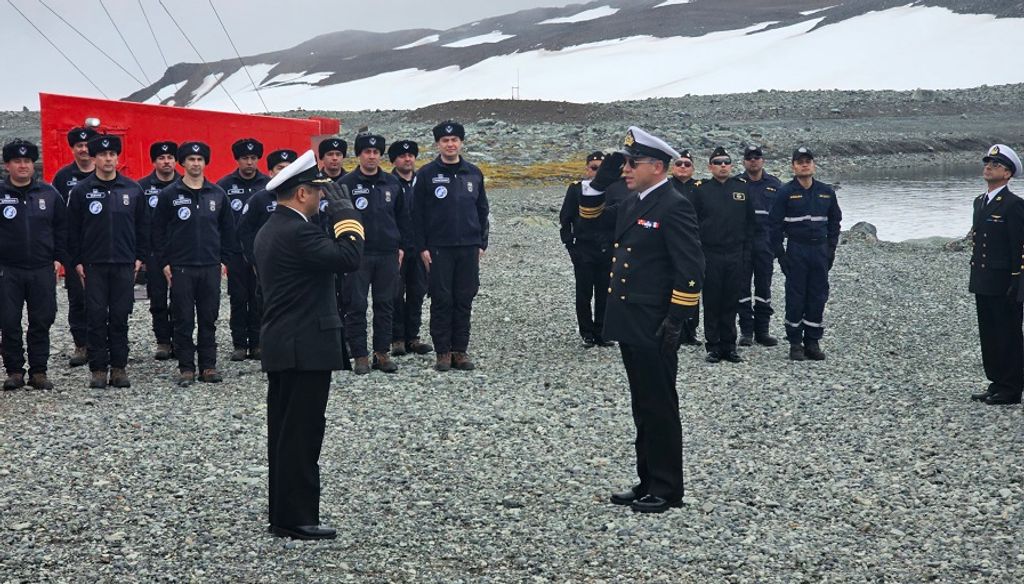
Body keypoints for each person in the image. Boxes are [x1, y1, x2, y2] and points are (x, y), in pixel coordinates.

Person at [580, 127, 703, 513]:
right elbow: (589, 216)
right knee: (642, 404)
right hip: (631, 321)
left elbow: (691, 267)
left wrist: (676, 320)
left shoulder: (674, 203)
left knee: (660, 405)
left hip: (655, 322)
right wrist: (603, 178)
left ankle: (668, 490)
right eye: (626, 163)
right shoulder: (636, 202)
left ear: (657, 166)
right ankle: (647, 479)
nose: (627, 170)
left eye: (633, 163)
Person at [254, 150, 364, 540]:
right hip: (305, 346)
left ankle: (285, 513)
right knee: (301, 435)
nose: (322, 198)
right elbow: (348, 257)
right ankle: (297, 517)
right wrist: (345, 214)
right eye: (318, 192)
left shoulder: (271, 227)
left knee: (284, 434)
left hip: (286, 343)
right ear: (302, 193)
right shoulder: (297, 231)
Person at [66, 135, 148, 389]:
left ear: (118, 157)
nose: (108, 159)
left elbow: (143, 227)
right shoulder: (81, 191)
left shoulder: (132, 189)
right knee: (96, 316)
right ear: (94, 158)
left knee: (121, 316)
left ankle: (120, 368)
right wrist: (77, 261)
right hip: (94, 265)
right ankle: (99, 369)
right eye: (102, 155)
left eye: (112, 154)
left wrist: (140, 257)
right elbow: (72, 230)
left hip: (124, 263)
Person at [153, 142, 235, 386]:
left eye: (200, 160)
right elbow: (157, 231)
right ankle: (186, 368)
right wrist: (164, 262)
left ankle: (208, 366)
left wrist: (224, 261)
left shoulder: (217, 194)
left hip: (210, 266)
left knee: (209, 318)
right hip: (181, 267)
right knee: (183, 319)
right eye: (190, 160)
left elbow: (228, 230)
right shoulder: (169, 195)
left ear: (205, 162)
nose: (195, 164)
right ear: (183, 163)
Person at [412, 121, 489, 372]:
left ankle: (460, 351)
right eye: (445, 141)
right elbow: (417, 213)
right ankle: (443, 352)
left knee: (464, 298)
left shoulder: (473, 173)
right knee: (442, 299)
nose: (450, 144)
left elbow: (482, 210)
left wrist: (481, 243)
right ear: (438, 144)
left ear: (461, 143)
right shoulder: (426, 174)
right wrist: (422, 247)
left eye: (455, 139)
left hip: (468, 246)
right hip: (438, 247)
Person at [338, 133, 410, 374]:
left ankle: (382, 353)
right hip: (357, 255)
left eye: (376, 152)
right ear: (358, 155)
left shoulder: (392, 183)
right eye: (367, 152)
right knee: (355, 305)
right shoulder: (345, 184)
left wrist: (401, 247)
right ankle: (360, 355)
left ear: (381, 156)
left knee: (385, 304)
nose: (371, 156)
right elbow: (335, 220)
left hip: (388, 253)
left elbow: (403, 218)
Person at [0, 140, 66, 390]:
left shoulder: (49, 194)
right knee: (8, 321)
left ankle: (39, 371)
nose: (23, 165)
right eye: (17, 161)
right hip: (8, 269)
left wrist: (58, 259)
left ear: (33, 164)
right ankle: (15, 371)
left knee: (42, 319)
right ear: (8, 165)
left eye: (27, 161)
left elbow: (62, 228)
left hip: (41, 268)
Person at [769, 147, 842, 361]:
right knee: (796, 296)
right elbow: (773, 226)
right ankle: (795, 343)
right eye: (799, 161)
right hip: (797, 249)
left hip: (819, 250)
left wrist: (831, 248)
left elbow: (835, 221)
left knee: (818, 296)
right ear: (793, 166)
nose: (804, 165)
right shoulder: (785, 192)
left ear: (813, 164)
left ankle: (812, 341)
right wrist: (781, 255)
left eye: (807, 161)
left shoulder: (826, 191)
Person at [971, 145, 1024, 405]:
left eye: (996, 164)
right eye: (988, 162)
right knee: (989, 333)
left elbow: (1019, 245)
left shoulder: (1014, 205)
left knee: (1008, 334)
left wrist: (1018, 279)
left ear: (1007, 173)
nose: (988, 167)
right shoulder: (980, 202)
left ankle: (1011, 388)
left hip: (1005, 281)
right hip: (984, 279)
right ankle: (996, 381)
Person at [691, 147, 754, 363]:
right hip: (711, 254)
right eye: (718, 162)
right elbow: (693, 224)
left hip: (735, 253)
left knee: (731, 301)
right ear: (710, 167)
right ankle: (714, 346)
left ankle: (730, 346)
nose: (723, 165)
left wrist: (746, 254)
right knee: (712, 301)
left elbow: (751, 224)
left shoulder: (742, 189)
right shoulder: (701, 190)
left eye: (726, 162)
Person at [559, 151, 618, 348]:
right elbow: (565, 218)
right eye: (594, 168)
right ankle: (587, 332)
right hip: (583, 248)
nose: (598, 172)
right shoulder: (577, 189)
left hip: (607, 247)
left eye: (602, 168)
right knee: (584, 293)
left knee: (604, 291)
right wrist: (570, 246)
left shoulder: (613, 190)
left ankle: (602, 331)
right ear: (587, 169)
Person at [218, 139, 270, 362]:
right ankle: (239, 343)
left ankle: (258, 343)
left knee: (260, 297)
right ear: (237, 160)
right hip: (236, 254)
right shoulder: (224, 186)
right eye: (245, 159)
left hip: (262, 253)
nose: (249, 162)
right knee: (238, 298)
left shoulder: (268, 186)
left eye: (253, 158)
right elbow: (219, 222)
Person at [52, 126, 97, 367]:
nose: (84, 149)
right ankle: (81, 344)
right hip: (74, 248)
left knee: (105, 299)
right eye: (79, 145)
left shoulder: (104, 174)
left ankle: (103, 343)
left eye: (88, 144)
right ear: (72, 149)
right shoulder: (62, 177)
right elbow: (56, 216)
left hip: (101, 248)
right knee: (78, 298)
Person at [388, 139, 433, 357]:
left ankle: (413, 337)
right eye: (402, 156)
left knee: (417, 293)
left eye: (411, 156)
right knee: (395, 294)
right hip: (396, 249)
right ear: (394, 160)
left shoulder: (423, 182)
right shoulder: (388, 183)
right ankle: (396, 338)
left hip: (419, 247)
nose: (408, 159)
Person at [736, 145, 783, 347]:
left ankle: (762, 331)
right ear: (744, 161)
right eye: (749, 157)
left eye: (757, 157)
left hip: (765, 244)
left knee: (764, 288)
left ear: (762, 160)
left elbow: (782, 216)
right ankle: (746, 331)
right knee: (742, 290)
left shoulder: (775, 184)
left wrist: (777, 244)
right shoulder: (736, 183)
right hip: (743, 245)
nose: (753, 161)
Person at [137, 141, 180, 361]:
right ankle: (163, 341)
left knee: (182, 299)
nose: (166, 162)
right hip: (154, 252)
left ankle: (181, 340)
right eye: (162, 158)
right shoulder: (142, 187)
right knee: (158, 298)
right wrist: (141, 254)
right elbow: (138, 222)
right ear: (154, 161)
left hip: (181, 252)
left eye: (170, 158)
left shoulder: (186, 184)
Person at [236, 150, 296, 266]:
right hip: (267, 263)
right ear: (271, 173)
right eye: (280, 168)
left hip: (296, 263)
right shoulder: (259, 199)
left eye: (288, 168)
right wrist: (254, 260)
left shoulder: (302, 197)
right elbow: (245, 231)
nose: (285, 172)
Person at [668, 149, 703, 346]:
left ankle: (691, 331)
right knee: (671, 287)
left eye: (687, 164)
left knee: (692, 286)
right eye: (679, 163)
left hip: (693, 245)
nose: (683, 167)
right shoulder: (665, 187)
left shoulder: (700, 188)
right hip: (670, 245)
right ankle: (673, 329)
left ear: (693, 168)